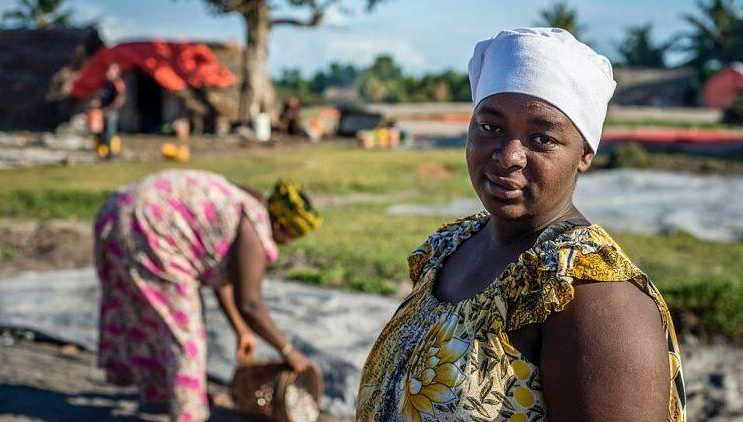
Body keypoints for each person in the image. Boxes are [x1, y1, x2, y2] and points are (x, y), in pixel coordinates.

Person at [357, 28, 685, 422]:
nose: (508, 155)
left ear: (584, 154)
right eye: (491, 127)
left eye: (542, 138)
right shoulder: (452, 248)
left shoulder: (595, 299)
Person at [94, 170, 322, 421]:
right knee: (185, 335)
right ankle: (188, 413)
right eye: (291, 235)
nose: (288, 243)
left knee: (148, 314)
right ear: (280, 225)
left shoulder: (247, 202)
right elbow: (250, 302)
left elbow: (224, 279)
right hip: (150, 228)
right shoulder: (256, 226)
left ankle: (161, 393)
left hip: (118, 210)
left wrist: (241, 330)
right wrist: (288, 350)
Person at [100, 63, 126, 159]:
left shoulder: (118, 83)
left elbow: (121, 99)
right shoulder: (107, 83)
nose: (109, 73)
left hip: (111, 112)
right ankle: (105, 152)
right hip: (104, 111)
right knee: (104, 133)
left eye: (112, 71)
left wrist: (111, 109)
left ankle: (112, 154)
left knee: (111, 133)